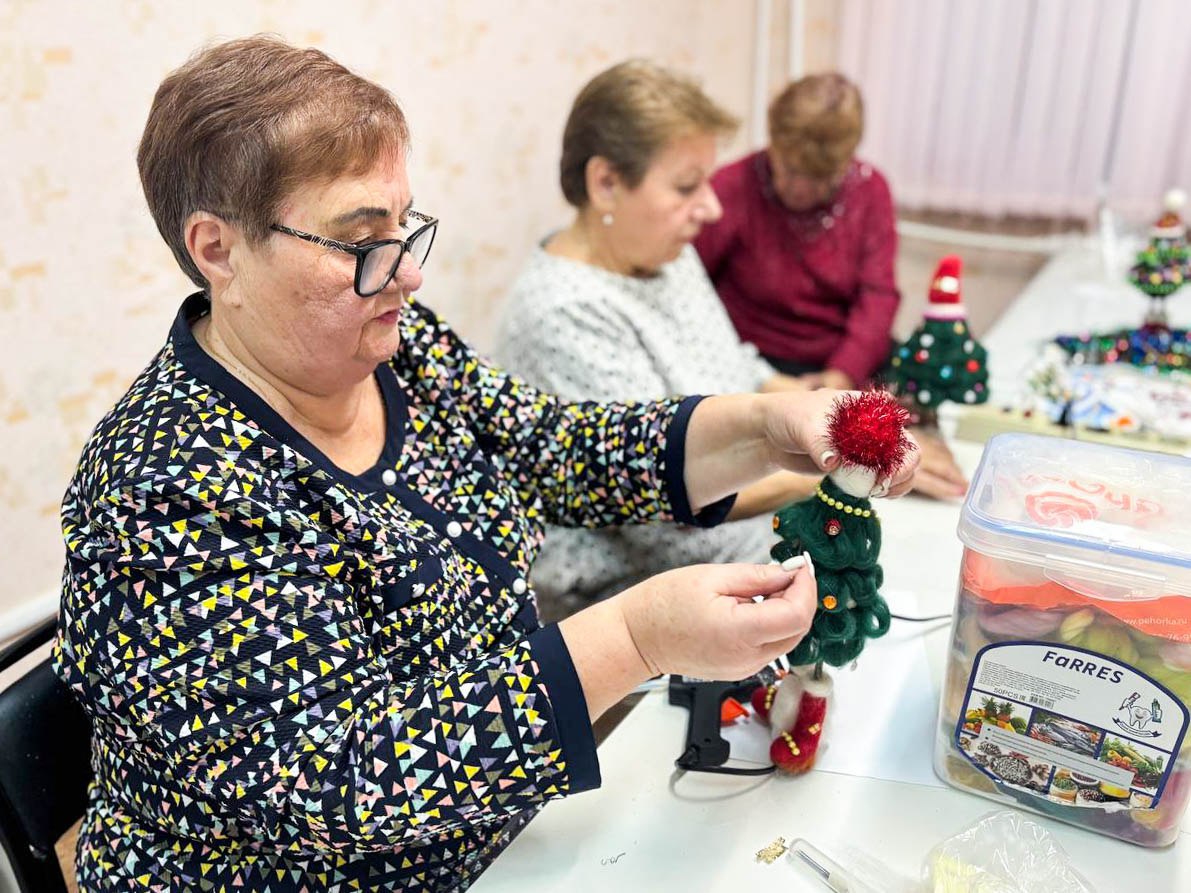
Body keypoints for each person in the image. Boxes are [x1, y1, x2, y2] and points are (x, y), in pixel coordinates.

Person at [51, 38, 918, 893]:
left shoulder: (392, 350)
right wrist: (634, 637)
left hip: (503, 838)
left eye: (404, 225)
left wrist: (771, 424)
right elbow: (340, 779)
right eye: (363, 241)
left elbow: (555, 447)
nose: (409, 273)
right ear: (218, 251)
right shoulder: (160, 487)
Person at [494, 60, 819, 618]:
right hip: (643, 598)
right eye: (686, 186)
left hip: (749, 539)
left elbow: (735, 366)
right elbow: (668, 509)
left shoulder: (665, 254)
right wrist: (832, 467)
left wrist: (829, 411)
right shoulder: (565, 314)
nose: (712, 207)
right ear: (606, 183)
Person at [695, 73, 968, 499]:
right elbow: (690, 289)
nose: (797, 188)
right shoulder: (730, 188)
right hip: (760, 360)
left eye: (818, 178)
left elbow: (877, 296)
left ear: (846, 162)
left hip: (847, 360)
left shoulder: (870, 190)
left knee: (915, 450)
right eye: (788, 169)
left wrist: (840, 377)